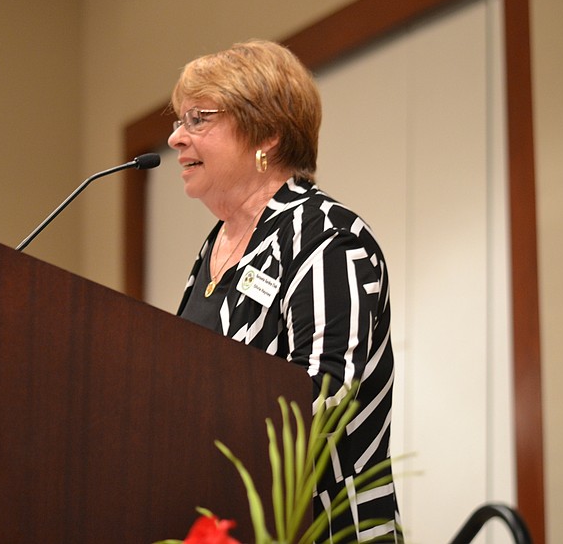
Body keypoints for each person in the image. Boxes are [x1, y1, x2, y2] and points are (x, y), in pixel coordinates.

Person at [169, 39, 402, 542]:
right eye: (177, 120)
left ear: (268, 134)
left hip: (322, 528)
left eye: (197, 119)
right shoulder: (217, 244)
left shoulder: (328, 237)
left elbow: (325, 394)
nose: (175, 138)